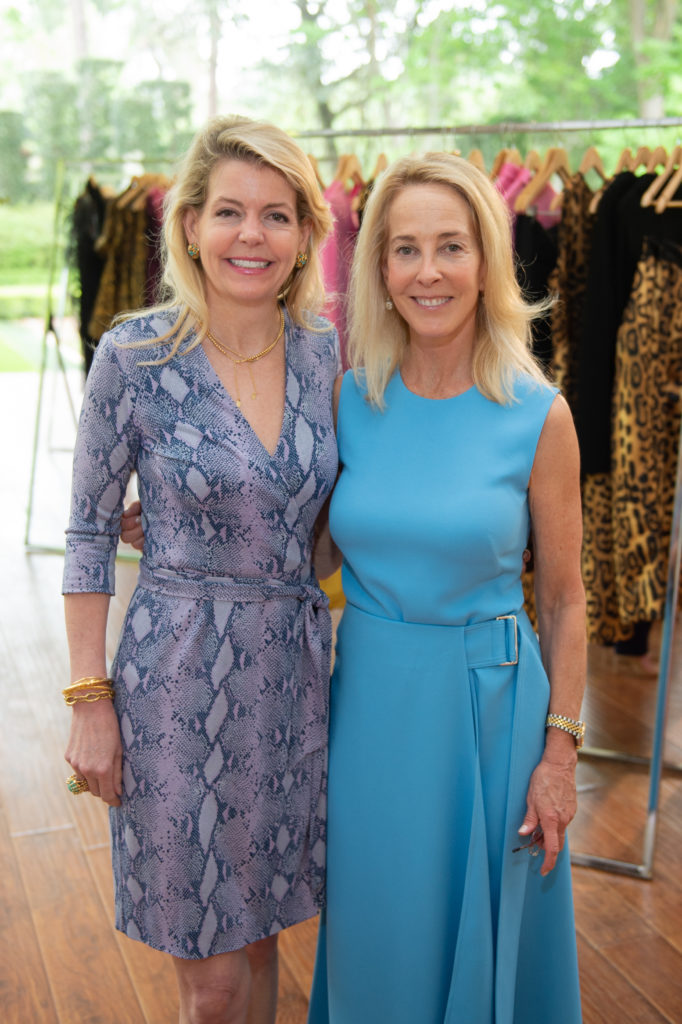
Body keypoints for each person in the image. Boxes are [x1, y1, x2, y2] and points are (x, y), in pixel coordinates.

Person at [62, 114, 339, 1024]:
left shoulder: (326, 357)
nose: (251, 236)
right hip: (176, 684)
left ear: (305, 235)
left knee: (261, 939)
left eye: (276, 215)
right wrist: (89, 702)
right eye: (229, 212)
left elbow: (323, 532)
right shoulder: (134, 356)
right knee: (211, 980)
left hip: (293, 683)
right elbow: (89, 536)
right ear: (188, 224)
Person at [305, 153, 585, 1023]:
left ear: (488, 263)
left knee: (488, 939)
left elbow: (569, 600)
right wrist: (178, 514)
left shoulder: (540, 413)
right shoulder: (350, 398)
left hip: (492, 716)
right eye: (406, 249)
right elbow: (307, 554)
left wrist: (561, 754)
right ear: (379, 270)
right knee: (376, 933)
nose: (429, 271)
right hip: (373, 710)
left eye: (452, 247)